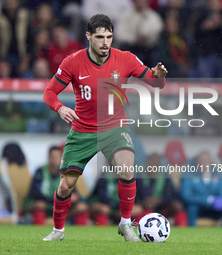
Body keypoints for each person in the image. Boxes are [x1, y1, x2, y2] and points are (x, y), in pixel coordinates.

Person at [42, 14, 167, 242]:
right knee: (65, 186)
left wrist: (159, 76)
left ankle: (126, 224)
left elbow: (154, 81)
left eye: (109, 37)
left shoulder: (126, 59)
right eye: (100, 37)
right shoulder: (72, 61)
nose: (105, 42)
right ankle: (58, 231)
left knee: (127, 168)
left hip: (114, 127)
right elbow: (49, 93)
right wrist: (60, 108)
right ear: (88, 36)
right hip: (82, 130)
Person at [25, 146, 89, 226]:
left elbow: (74, 194)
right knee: (39, 205)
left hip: (61, 206)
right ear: (48, 158)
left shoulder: (66, 172)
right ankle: (38, 234)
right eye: (53, 157)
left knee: (81, 207)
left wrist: (73, 197)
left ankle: (80, 235)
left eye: (57, 157)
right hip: (45, 205)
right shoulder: (40, 172)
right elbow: (36, 194)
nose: (55, 159)